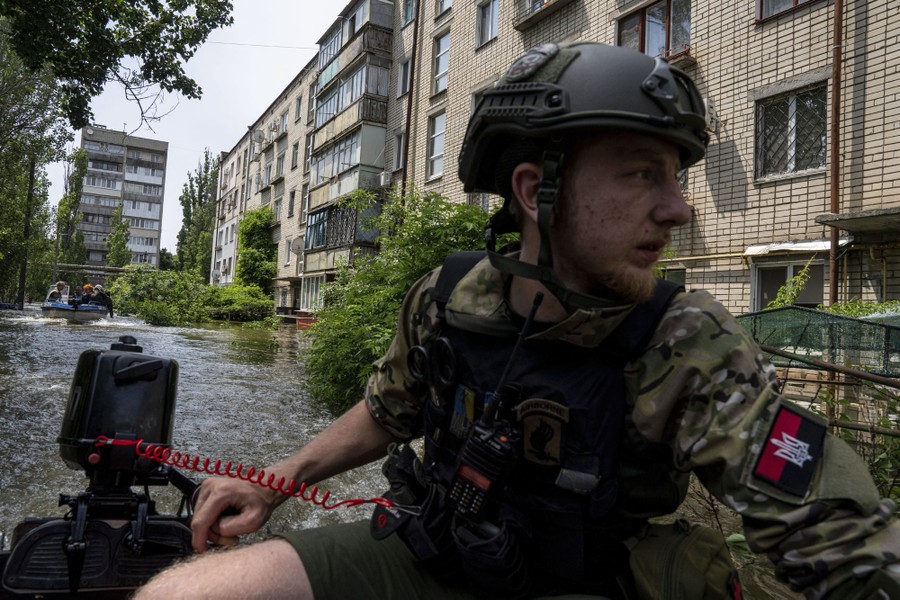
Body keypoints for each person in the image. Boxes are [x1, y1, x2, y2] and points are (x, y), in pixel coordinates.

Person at [136, 42, 900, 599]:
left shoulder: (687, 340)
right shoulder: (447, 296)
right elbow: (385, 410)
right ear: (537, 192)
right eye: (641, 173)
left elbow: (842, 539)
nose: (677, 207)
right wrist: (276, 483)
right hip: (437, 560)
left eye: (674, 178)